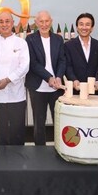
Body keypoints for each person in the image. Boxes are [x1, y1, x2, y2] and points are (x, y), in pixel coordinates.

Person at [0, 11, 30, 145]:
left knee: (17, 133)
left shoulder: (21, 43)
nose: (4, 25)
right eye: (1, 22)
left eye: (7, 21)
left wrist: (8, 80)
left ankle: (18, 157)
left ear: (13, 23)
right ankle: (0, 158)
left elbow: (24, 66)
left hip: (16, 96)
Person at [25, 10, 66, 145]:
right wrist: (49, 78)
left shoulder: (58, 39)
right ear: (36, 23)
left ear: (51, 21)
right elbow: (33, 63)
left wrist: (58, 77)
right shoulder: (30, 39)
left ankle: (60, 148)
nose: (44, 24)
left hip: (57, 87)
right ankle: (39, 151)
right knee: (39, 123)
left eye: (46, 21)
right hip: (37, 87)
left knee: (59, 121)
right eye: (41, 21)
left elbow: (62, 60)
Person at [64, 13, 98, 92]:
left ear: (92, 28)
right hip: (76, 89)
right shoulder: (68, 46)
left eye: (87, 25)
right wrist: (74, 79)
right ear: (77, 27)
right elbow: (68, 66)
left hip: (95, 90)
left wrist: (97, 80)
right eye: (81, 24)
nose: (84, 27)